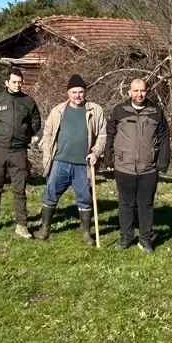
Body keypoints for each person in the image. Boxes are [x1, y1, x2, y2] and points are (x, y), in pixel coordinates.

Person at [37, 74, 107, 245]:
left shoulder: (95, 110)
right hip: (60, 162)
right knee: (50, 193)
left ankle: (86, 233)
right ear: (68, 93)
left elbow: (103, 135)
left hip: (83, 165)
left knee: (85, 197)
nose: (78, 95)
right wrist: (48, 153)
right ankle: (45, 228)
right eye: (74, 92)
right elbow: (47, 134)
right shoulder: (58, 111)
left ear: (85, 92)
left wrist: (96, 152)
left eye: (81, 92)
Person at [103, 78, 170, 253]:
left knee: (146, 204)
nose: (139, 94)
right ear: (129, 92)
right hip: (124, 166)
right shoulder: (119, 111)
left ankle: (145, 239)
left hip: (149, 167)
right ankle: (126, 237)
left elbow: (164, 138)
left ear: (147, 91)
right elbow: (110, 134)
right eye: (136, 91)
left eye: (142, 91)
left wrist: (163, 161)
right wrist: (108, 158)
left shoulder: (156, 112)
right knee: (126, 203)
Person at [0, 67, 42, 238]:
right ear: (7, 82)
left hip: (18, 151)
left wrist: (25, 135)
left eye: (20, 82)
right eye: (14, 82)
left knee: (20, 189)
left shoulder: (28, 102)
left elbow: (36, 122)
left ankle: (21, 224)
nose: (17, 85)